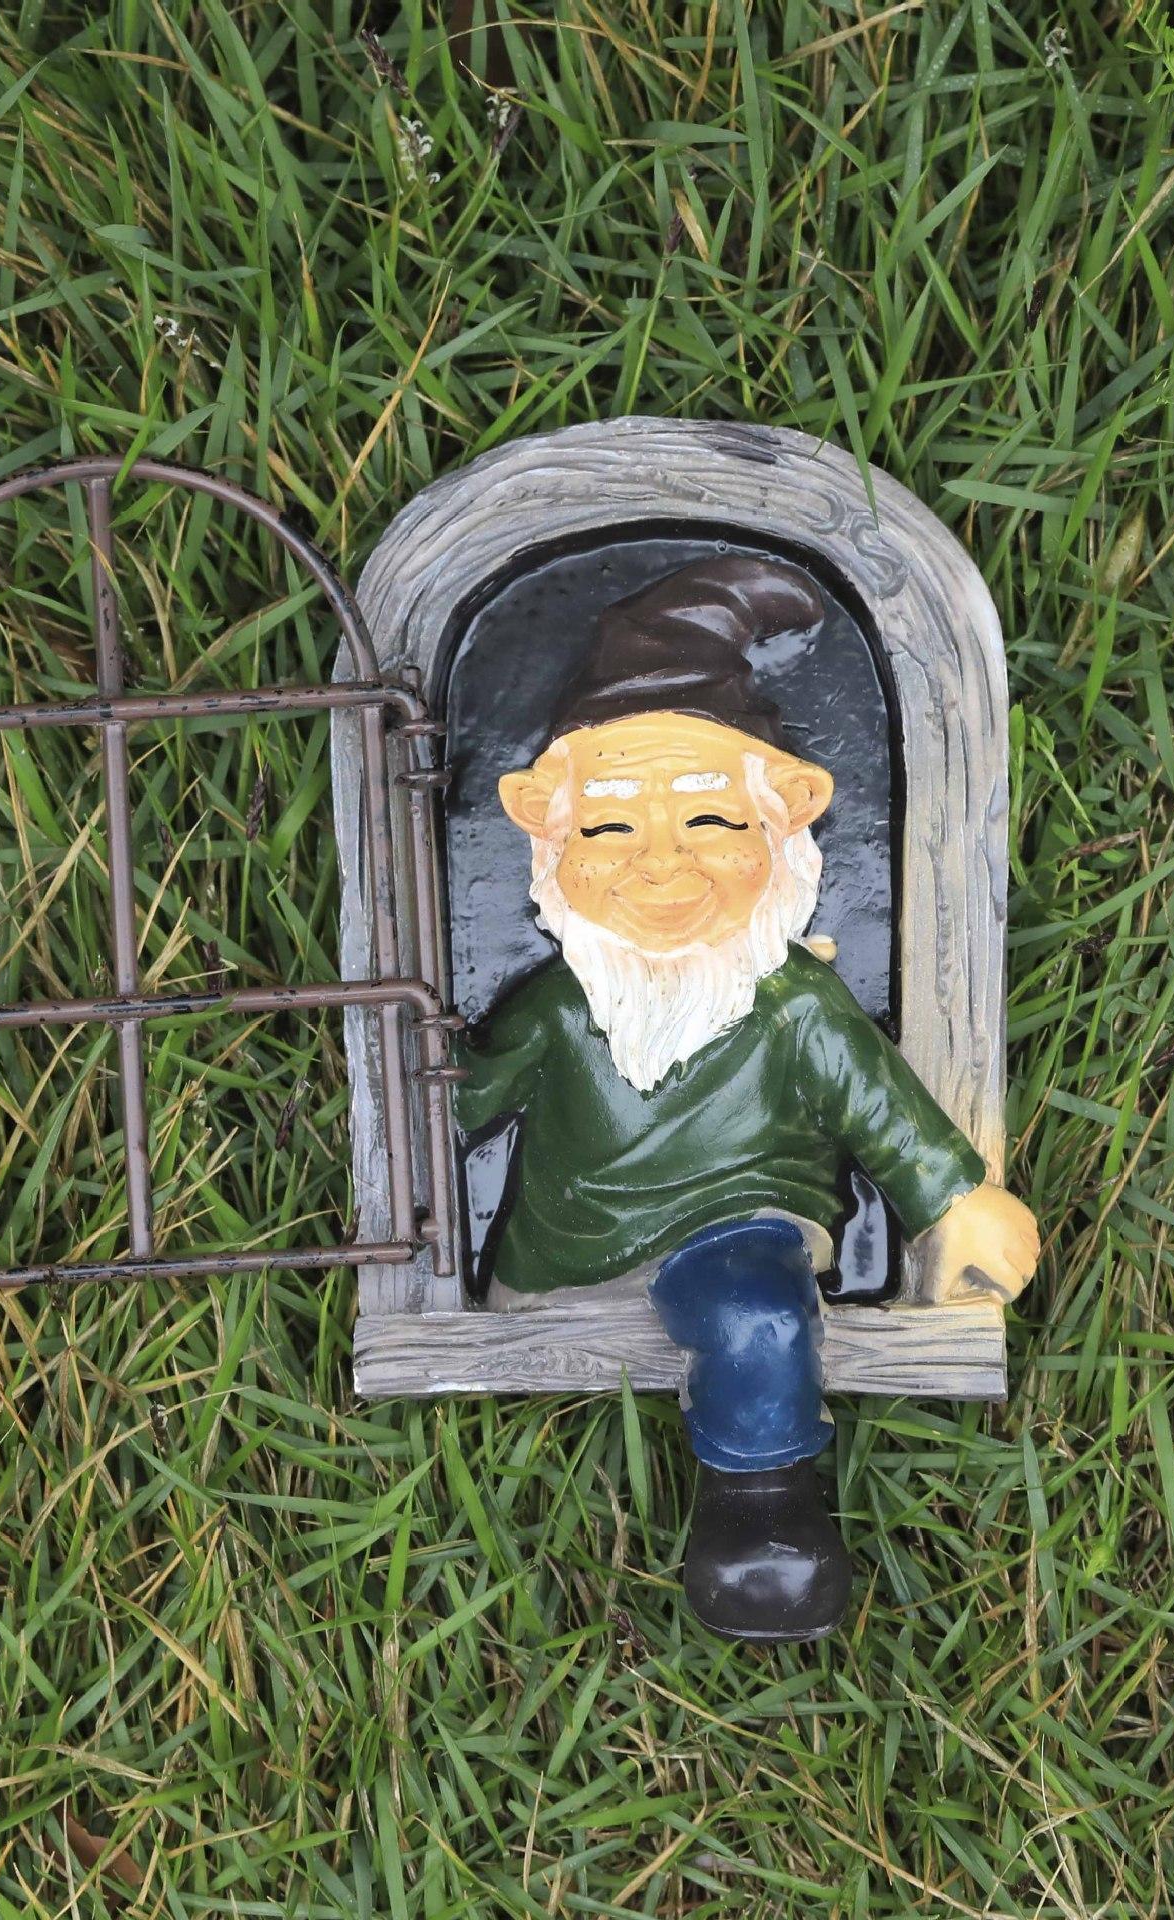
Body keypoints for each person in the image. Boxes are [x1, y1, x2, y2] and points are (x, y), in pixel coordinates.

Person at [455, 555, 1040, 1641]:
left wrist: (955, 1198)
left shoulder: (791, 1003)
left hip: (739, 1220)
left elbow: (876, 1104)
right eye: (611, 829)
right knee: (616, 1293)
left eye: (711, 825)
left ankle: (764, 1512)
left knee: (758, 1311)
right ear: (548, 831)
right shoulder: (558, 1007)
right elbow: (462, 1107)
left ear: (785, 820)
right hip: (559, 1245)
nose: (660, 866)